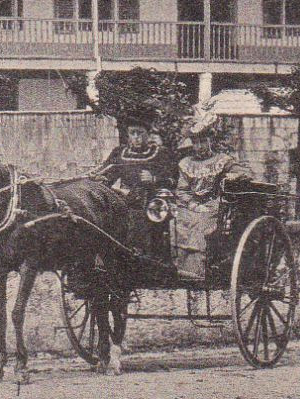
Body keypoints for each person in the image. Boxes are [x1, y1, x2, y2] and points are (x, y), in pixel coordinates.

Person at [172, 113, 252, 282]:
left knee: (202, 222)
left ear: (210, 141)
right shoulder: (186, 163)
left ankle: (199, 270)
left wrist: (234, 176)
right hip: (192, 205)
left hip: (215, 205)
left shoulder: (222, 160)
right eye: (196, 142)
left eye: (203, 141)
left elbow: (244, 172)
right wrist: (192, 204)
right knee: (176, 222)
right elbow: (182, 190)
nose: (199, 146)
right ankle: (181, 268)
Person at [93, 114, 176, 255]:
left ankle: (148, 256)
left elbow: (173, 179)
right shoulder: (120, 153)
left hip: (152, 202)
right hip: (126, 199)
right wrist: (100, 178)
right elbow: (108, 175)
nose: (136, 137)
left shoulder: (160, 153)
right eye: (133, 133)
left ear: (148, 134)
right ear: (128, 135)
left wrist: (154, 179)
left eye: (140, 133)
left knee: (146, 219)